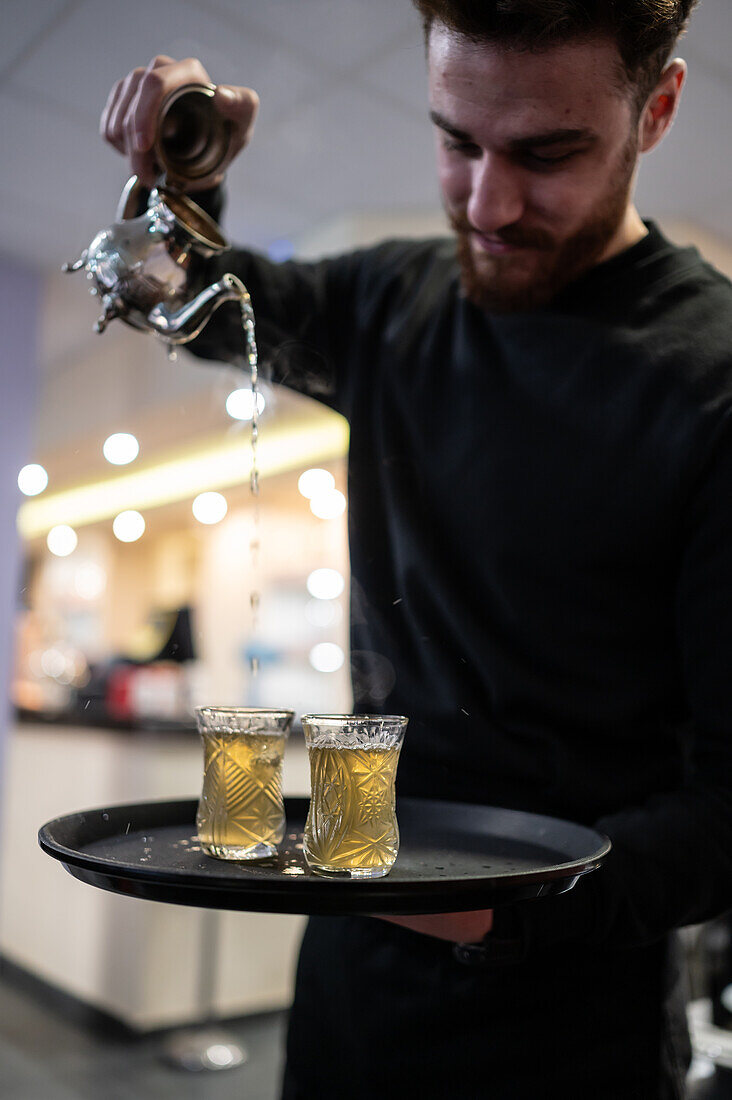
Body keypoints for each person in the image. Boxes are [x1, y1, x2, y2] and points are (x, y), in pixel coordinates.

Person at [101, 1, 732, 1096]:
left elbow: (730, 809)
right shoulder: (390, 299)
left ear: (657, 108)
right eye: (456, 141)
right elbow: (190, 300)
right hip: (351, 982)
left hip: (570, 1018)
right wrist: (178, 180)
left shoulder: (712, 382)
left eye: (547, 154)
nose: (487, 203)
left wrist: (487, 907)